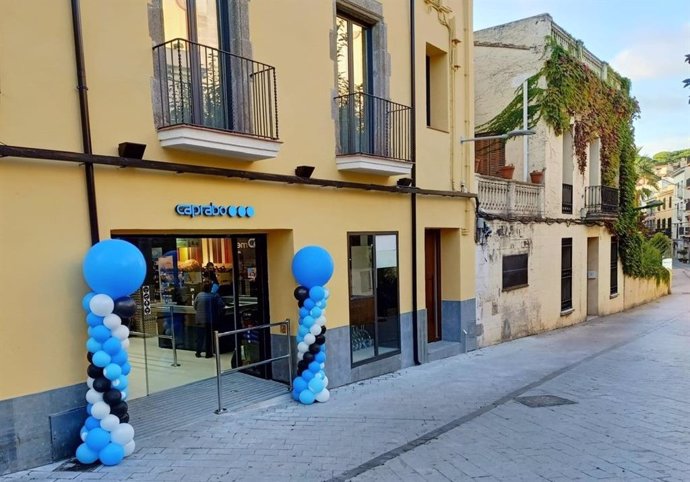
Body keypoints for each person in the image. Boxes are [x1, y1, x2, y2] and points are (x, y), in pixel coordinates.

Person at [193, 281, 225, 358]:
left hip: (199, 319)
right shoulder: (215, 296)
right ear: (210, 288)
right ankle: (208, 353)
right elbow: (221, 305)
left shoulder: (199, 295)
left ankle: (198, 352)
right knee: (209, 337)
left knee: (200, 337)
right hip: (210, 319)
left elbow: (195, 306)